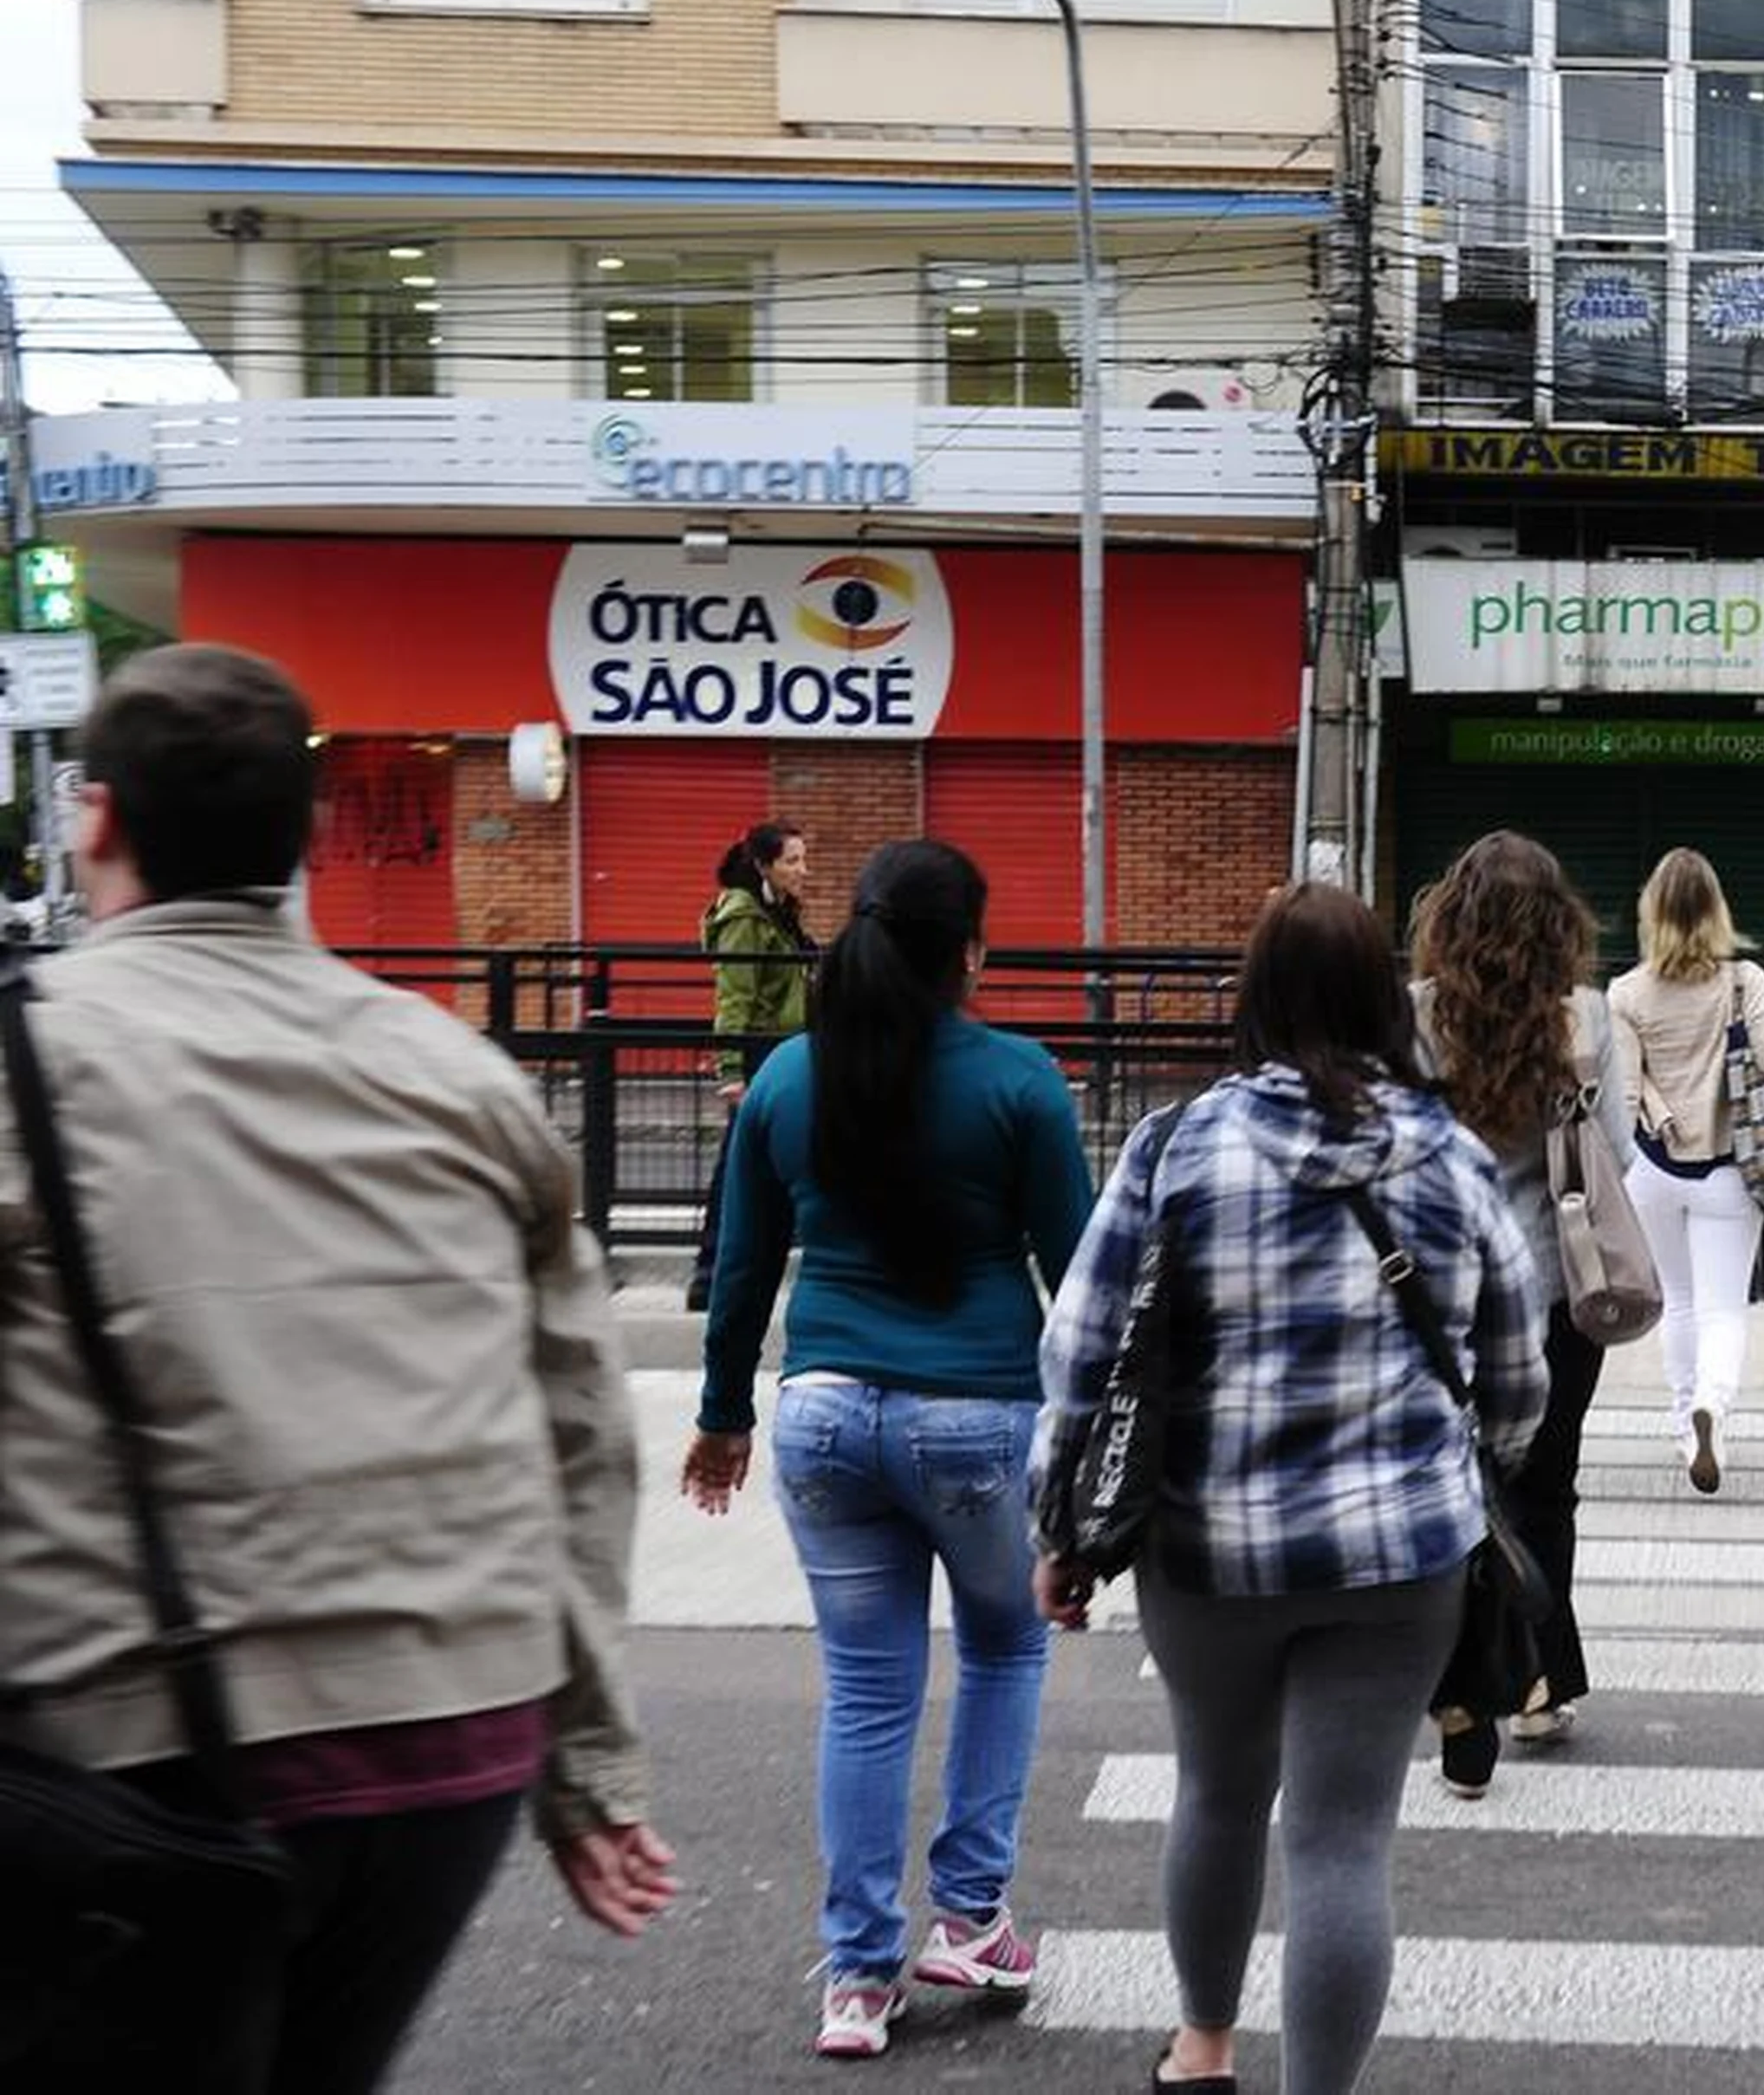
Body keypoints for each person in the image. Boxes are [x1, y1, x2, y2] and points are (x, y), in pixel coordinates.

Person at [0, 645, 673, 2092]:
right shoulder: (458, 1073)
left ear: (96, 820)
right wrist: (589, 1763)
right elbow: (580, 1438)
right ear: (304, 837)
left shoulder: (26, 1065)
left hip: (135, 1744)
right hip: (457, 1729)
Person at [1035, 885, 1543, 2095]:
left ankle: (1203, 2047)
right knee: (1343, 1838)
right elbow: (1518, 1372)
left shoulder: (1176, 1145)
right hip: (1398, 1557)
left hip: (1211, 1547)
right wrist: (1473, 1468)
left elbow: (1081, 1350)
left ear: (1254, 998)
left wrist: (1058, 1525)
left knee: (1216, 1789)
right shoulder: (1449, 1156)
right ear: (1383, 998)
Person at [684, 839, 1098, 2059]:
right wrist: (1089, 1460)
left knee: (864, 1693)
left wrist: (723, 1417)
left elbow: (743, 1272)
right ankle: (971, 1915)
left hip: (820, 1414)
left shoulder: (785, 1082)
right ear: (969, 950)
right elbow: (1076, 1284)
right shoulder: (1021, 1079)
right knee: (1005, 1646)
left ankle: (857, 1978)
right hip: (975, 1416)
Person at [1407, 830, 1640, 1798]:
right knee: (1548, 1486)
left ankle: (1466, 1699)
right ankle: (1542, 1680)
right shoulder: (1586, 1015)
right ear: (1561, 923)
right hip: (1557, 1284)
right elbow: (1620, 1152)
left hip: (1437, 1290)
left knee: (1449, 1491)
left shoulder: (1417, 1013)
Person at [1609, 848, 1764, 1496]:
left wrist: (1661, 1112)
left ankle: (1686, 1430)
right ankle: (1712, 1407)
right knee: (1724, 1308)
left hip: (1655, 1171)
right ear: (1716, 911)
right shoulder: (1746, 982)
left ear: (1650, 912)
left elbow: (1629, 1093)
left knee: (1680, 1303)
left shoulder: (1626, 993)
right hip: (1727, 1171)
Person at [688, 820, 814, 1311]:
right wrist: (731, 1073)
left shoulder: (776, 911)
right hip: (762, 1055)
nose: (803, 869)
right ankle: (711, 1272)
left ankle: (725, 1268)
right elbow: (735, 997)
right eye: (792, 861)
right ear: (764, 865)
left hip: (787, 1051)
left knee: (757, 1161)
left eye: (803, 859)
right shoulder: (745, 917)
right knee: (740, 1162)